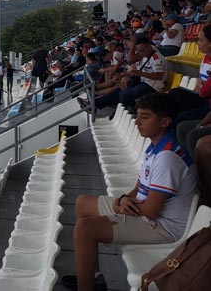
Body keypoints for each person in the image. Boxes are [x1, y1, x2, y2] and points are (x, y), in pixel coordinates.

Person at [63, 94, 197, 291]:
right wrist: (124, 199)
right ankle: (93, 278)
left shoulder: (167, 157)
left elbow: (151, 211)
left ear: (165, 122)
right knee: (83, 203)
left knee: (85, 229)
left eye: (145, 117)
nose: (136, 122)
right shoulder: (155, 147)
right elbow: (138, 188)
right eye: (137, 115)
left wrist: (122, 207)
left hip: (163, 227)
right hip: (143, 210)